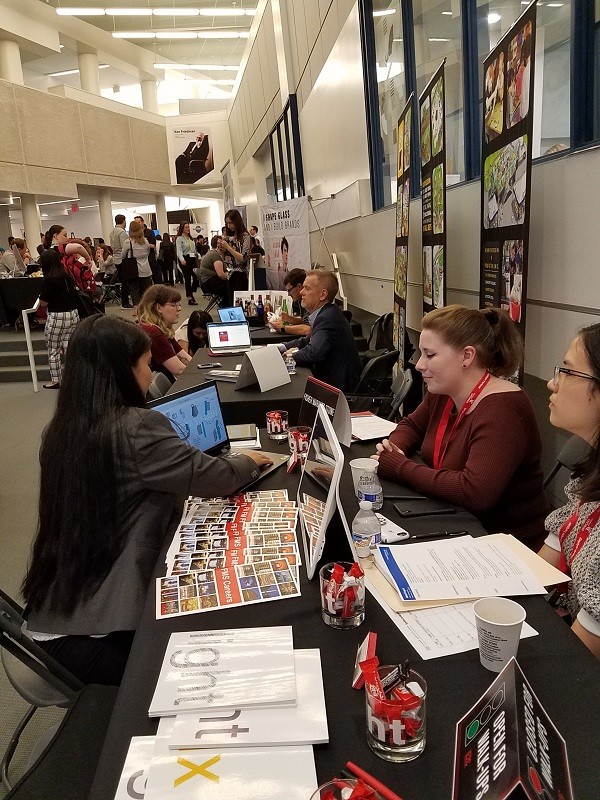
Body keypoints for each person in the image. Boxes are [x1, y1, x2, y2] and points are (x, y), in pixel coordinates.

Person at [21, 315, 272, 685]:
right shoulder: (136, 428)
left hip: (56, 613)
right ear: (122, 371)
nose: (149, 371)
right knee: (216, 668)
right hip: (95, 633)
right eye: (145, 363)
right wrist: (250, 460)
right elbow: (215, 477)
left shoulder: (61, 429)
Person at [373, 305, 550, 549]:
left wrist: (400, 466)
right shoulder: (444, 392)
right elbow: (411, 426)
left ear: (467, 356)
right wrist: (395, 447)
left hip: (504, 546)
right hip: (455, 521)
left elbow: (474, 492)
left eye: (430, 355)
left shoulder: (503, 409)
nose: (420, 365)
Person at [538, 324, 600, 659]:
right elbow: (535, 577)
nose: (552, 382)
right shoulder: (588, 482)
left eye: (567, 370)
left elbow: (574, 661)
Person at [280, 268, 362, 393]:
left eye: (307, 288)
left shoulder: (327, 318)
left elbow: (313, 352)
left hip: (338, 392)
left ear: (323, 294)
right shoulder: (327, 313)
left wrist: (289, 357)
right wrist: (280, 347)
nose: (301, 292)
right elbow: (307, 341)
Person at [38, 226, 85, 389]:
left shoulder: (49, 279)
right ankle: (78, 377)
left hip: (56, 316)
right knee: (69, 348)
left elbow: (43, 303)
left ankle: (56, 380)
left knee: (53, 350)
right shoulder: (67, 276)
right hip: (72, 315)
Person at [137, 284, 192, 381]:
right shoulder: (153, 331)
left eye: (179, 304)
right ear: (159, 308)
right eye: (173, 305)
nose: (179, 309)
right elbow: (178, 370)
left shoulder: (161, 329)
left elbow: (185, 357)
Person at [220, 209, 251, 304]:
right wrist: (221, 250)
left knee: (240, 304)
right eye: (227, 223)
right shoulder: (228, 237)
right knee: (232, 303)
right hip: (230, 274)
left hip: (241, 275)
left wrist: (228, 248)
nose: (229, 226)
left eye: (231, 223)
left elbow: (242, 258)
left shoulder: (245, 237)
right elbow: (224, 258)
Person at [122, 220, 152, 310]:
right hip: (146, 269)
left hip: (134, 270)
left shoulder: (128, 242)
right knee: (146, 292)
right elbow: (147, 253)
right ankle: (147, 310)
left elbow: (123, 255)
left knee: (134, 290)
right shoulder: (145, 241)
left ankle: (137, 311)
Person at [271, 268, 310, 336]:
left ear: (299, 286)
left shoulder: (310, 302)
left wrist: (282, 328)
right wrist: (290, 319)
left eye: (289, 290)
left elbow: (307, 329)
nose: (288, 294)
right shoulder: (299, 301)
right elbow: (306, 321)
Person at [198, 235, 228, 306]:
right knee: (230, 287)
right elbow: (221, 274)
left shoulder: (211, 253)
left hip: (205, 282)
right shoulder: (215, 256)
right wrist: (230, 277)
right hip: (210, 283)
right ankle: (227, 307)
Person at [110, 214, 132, 309]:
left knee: (123, 281)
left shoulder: (112, 232)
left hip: (116, 258)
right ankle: (125, 302)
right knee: (125, 281)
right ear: (123, 221)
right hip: (123, 259)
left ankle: (125, 300)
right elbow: (125, 246)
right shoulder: (122, 232)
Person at [176, 221, 198, 305]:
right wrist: (181, 259)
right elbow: (179, 250)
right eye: (186, 227)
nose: (188, 228)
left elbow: (194, 249)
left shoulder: (191, 238)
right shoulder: (179, 239)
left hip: (192, 258)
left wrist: (197, 254)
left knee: (196, 276)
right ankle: (190, 297)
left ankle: (191, 290)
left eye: (188, 227)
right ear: (182, 228)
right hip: (185, 259)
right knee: (188, 278)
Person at [134, 215, 160, 285]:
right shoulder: (135, 234)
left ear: (143, 222)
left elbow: (153, 245)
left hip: (150, 258)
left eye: (139, 222)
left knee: (155, 277)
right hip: (139, 260)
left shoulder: (150, 232)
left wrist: (143, 244)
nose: (138, 224)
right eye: (136, 223)